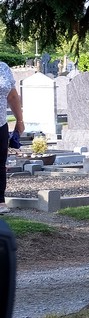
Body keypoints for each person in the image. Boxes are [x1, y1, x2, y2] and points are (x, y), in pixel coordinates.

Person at [0, 61, 21, 214]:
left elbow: (12, 95)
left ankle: (0, 201)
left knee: (0, 163)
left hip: (0, 124)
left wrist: (19, 121)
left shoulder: (3, 67)